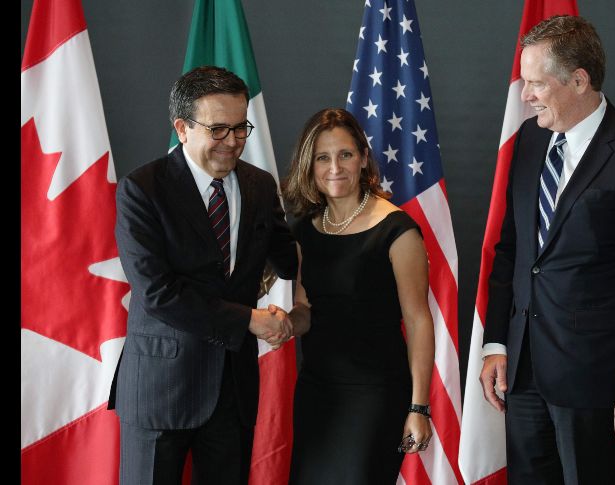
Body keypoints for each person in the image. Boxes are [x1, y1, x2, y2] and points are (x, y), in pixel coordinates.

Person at [479, 15, 615, 485]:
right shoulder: (530, 139)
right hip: (524, 373)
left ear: (578, 80)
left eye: (535, 84)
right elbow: (511, 249)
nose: (525, 96)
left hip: (599, 383)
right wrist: (496, 342)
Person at [108, 65, 298, 485]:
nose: (233, 142)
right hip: (161, 389)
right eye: (218, 129)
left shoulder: (260, 185)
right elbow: (157, 293)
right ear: (182, 127)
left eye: (241, 128)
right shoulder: (142, 189)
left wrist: (351, 215)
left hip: (232, 389)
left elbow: (290, 257)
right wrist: (249, 320)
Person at [282, 108, 435, 484]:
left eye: (345, 154)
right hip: (318, 393)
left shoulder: (397, 231)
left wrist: (419, 407)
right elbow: (306, 308)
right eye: (323, 157)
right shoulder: (303, 230)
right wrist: (285, 323)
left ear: (364, 158)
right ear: (309, 166)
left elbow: (418, 320)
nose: (335, 167)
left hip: (375, 394)